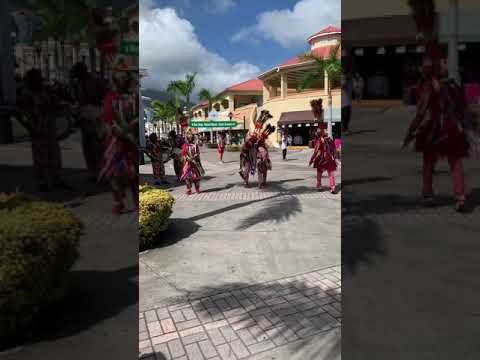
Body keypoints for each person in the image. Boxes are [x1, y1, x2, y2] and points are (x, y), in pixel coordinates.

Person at [403, 57, 474, 212]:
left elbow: (421, 113)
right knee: (455, 163)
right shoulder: (453, 85)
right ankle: (460, 197)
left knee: (429, 162)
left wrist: (410, 132)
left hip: (435, 129)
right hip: (452, 129)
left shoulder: (428, 87)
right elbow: (464, 109)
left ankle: (428, 194)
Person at [16, 69, 71, 192]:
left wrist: (62, 105)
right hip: (37, 129)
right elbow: (18, 112)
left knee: (54, 155)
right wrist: (28, 127)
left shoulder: (46, 91)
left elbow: (56, 103)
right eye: (36, 79)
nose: (40, 81)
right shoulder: (26, 95)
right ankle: (42, 182)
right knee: (40, 158)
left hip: (50, 129)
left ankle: (56, 179)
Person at [98, 56, 139, 215]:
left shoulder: (133, 96)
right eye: (118, 77)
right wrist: (116, 130)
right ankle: (118, 201)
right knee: (113, 174)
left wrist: (129, 127)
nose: (121, 80)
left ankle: (137, 201)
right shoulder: (110, 98)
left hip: (130, 140)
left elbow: (137, 116)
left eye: (124, 77)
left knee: (133, 174)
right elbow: (108, 118)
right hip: (115, 142)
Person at [70, 62, 107, 181]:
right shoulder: (77, 84)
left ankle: (103, 172)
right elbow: (77, 99)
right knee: (88, 147)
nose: (77, 75)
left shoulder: (96, 81)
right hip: (85, 115)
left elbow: (105, 96)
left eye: (78, 72)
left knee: (99, 146)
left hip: (97, 113)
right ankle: (93, 172)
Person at [239, 110, 275, 188]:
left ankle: (261, 182)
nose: (261, 125)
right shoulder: (252, 130)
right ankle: (246, 181)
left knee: (261, 167)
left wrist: (263, 155)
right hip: (249, 153)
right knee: (247, 167)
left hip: (257, 152)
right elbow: (246, 143)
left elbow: (263, 149)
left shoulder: (259, 132)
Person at [309, 124, 337, 193]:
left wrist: (311, 160)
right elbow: (334, 150)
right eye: (326, 130)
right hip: (329, 158)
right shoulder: (330, 139)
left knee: (319, 173)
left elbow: (316, 151)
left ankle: (319, 186)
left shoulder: (319, 140)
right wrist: (334, 158)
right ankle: (332, 188)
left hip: (321, 158)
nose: (326, 131)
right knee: (330, 174)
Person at [181, 129, 205, 194]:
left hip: (194, 163)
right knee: (187, 177)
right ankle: (189, 189)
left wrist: (194, 157)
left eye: (191, 136)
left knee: (196, 177)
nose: (189, 137)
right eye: (188, 135)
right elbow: (183, 154)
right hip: (187, 164)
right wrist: (187, 158)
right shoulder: (184, 145)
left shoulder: (195, 145)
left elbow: (198, 153)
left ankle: (197, 189)